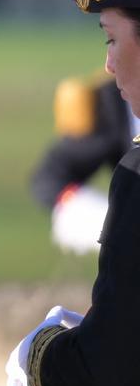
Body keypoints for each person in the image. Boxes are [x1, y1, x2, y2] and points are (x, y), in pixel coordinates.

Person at [7, 0, 140, 386]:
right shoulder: (109, 106)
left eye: (111, 37)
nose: (107, 62)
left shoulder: (138, 174)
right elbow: (53, 176)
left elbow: (116, 358)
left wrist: (41, 362)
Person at [31, 74, 134, 254]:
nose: (108, 62)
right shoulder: (114, 102)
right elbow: (51, 179)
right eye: (110, 43)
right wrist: (115, 222)